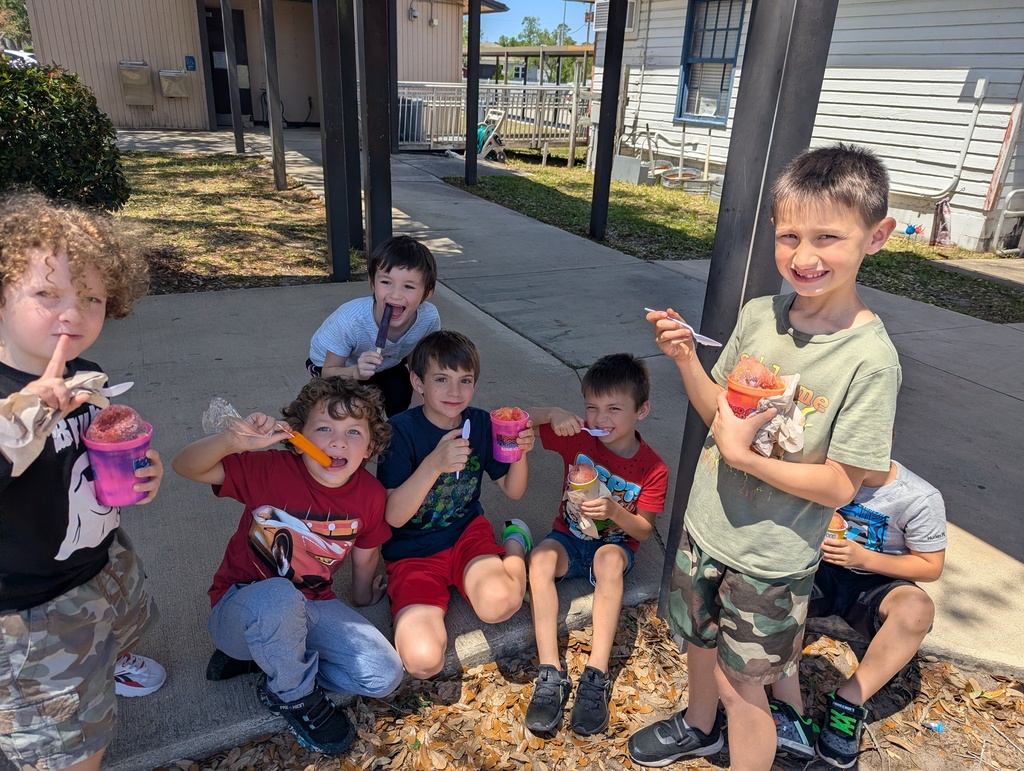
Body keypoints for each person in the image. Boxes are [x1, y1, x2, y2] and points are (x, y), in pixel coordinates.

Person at [629, 143, 901, 771]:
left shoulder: (870, 361)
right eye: (789, 236)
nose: (804, 257)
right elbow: (718, 409)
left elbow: (839, 486)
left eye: (828, 237)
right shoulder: (759, 316)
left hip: (772, 559)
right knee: (696, 640)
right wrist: (685, 359)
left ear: (876, 236)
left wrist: (744, 458)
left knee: (742, 684)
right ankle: (700, 729)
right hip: (707, 527)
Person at [0, 193, 165, 771]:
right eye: (48, 294)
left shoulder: (77, 378)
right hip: (30, 611)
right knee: (72, 749)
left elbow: (90, 452)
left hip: (95, 559)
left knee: (125, 624)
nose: (73, 313)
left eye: (91, 298)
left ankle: (106, 662)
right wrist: (23, 417)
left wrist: (143, 467)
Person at [171, 378, 405, 757]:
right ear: (298, 437)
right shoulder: (270, 470)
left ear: (371, 447)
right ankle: (295, 696)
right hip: (241, 608)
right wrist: (233, 442)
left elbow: (366, 551)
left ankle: (280, 669)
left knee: (384, 674)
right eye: (324, 428)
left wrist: (362, 596)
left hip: (312, 605)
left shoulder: (371, 496)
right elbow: (185, 466)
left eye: (353, 432)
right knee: (280, 596)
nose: (337, 441)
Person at [376, 330, 534, 680]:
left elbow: (513, 490)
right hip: (411, 552)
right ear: (417, 382)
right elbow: (393, 516)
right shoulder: (399, 432)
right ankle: (505, 552)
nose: (454, 392)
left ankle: (514, 546)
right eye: (441, 379)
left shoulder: (478, 423)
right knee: (422, 661)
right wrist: (434, 464)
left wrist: (519, 452)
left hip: (466, 536)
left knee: (502, 604)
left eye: (465, 380)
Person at [524, 353, 668, 736]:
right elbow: (515, 419)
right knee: (538, 560)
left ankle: (596, 675)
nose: (600, 419)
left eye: (614, 409)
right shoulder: (580, 439)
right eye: (592, 407)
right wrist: (552, 412)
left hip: (615, 545)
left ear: (643, 410)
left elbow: (642, 532)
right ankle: (550, 672)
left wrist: (616, 511)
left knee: (607, 561)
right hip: (568, 537)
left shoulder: (653, 468)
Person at [770, 460, 946, 767]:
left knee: (918, 610)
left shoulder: (919, 497)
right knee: (769, 587)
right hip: (818, 570)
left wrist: (865, 558)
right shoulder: (822, 470)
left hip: (879, 580)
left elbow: (931, 566)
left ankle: (849, 702)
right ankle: (789, 707)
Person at [307, 235, 440, 416]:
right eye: (386, 282)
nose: (395, 295)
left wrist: (415, 409)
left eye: (409, 286)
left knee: (402, 399)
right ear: (372, 284)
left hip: (386, 361)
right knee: (354, 414)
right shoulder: (350, 321)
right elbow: (328, 374)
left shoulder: (428, 318)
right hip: (338, 367)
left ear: (427, 293)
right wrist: (355, 372)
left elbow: (420, 365)